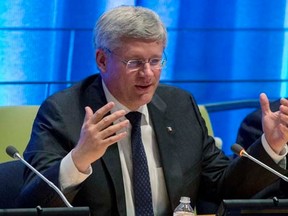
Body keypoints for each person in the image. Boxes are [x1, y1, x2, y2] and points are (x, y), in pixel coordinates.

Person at [17, 5, 288, 215]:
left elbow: (220, 185)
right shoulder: (64, 113)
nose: (148, 74)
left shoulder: (180, 106)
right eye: (134, 62)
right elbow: (31, 204)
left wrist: (270, 146)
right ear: (102, 60)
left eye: (156, 61)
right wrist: (79, 159)